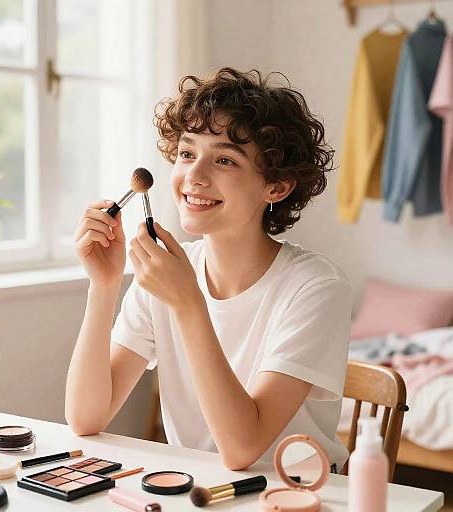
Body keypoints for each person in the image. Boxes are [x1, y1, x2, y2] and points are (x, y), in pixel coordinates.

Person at [65, 67, 353, 471]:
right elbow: (85, 417)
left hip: (296, 494)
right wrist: (104, 285)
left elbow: (240, 449)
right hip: (197, 491)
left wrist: (188, 305)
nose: (193, 177)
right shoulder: (169, 274)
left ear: (277, 187)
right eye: (187, 153)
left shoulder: (317, 289)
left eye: (223, 160)